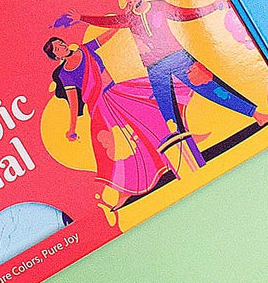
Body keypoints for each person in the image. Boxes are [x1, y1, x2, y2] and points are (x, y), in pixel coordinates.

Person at [68, 0, 268, 166]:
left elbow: (185, 14)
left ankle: (257, 115)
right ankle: (190, 157)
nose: (127, 0)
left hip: (178, 58)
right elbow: (109, 21)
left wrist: (213, 6)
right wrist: (82, 18)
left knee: (213, 88)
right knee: (168, 111)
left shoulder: (159, 6)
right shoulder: (129, 18)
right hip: (155, 68)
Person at [44, 32, 185, 221]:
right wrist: (72, 127)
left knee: (149, 118)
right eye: (57, 48)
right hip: (99, 106)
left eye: (61, 42)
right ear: (56, 57)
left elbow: (105, 36)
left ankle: (175, 157)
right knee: (109, 150)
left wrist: (119, 22)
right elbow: (73, 101)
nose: (62, 46)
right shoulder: (64, 74)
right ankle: (123, 191)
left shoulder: (86, 49)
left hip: (117, 93)